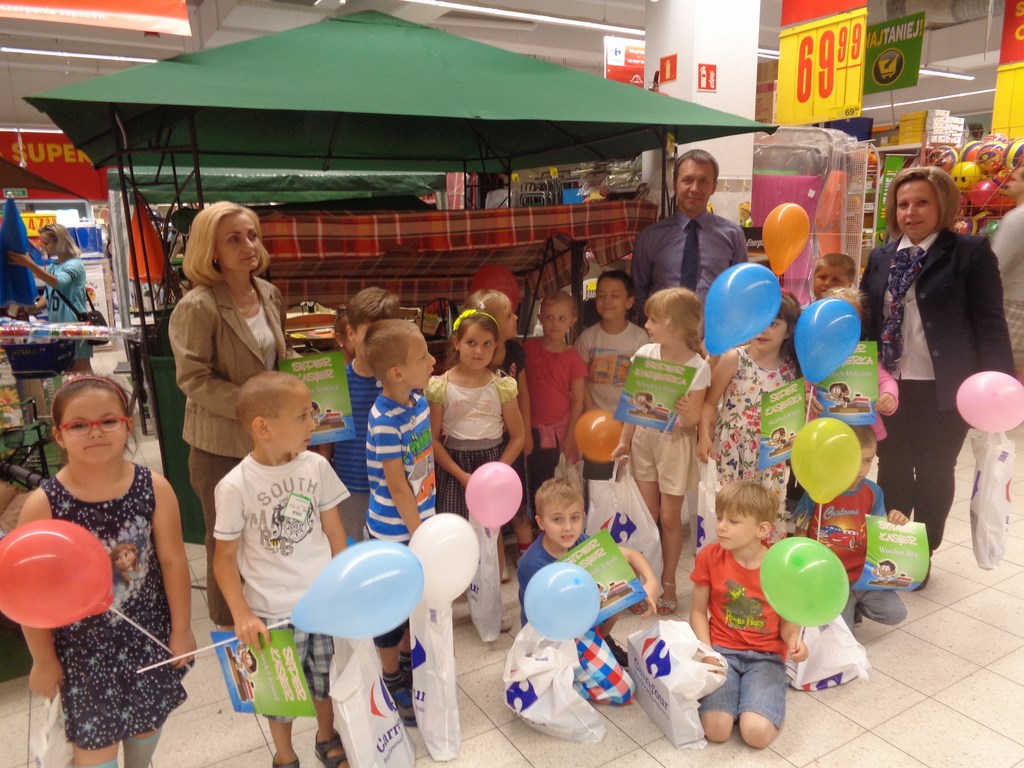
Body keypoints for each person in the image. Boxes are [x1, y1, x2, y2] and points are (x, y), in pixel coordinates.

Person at [19, 376, 195, 768]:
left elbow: (172, 561)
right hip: (81, 653)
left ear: (127, 425)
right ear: (59, 435)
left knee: (146, 726)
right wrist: (43, 659)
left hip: (145, 635)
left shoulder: (154, 488)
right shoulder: (43, 505)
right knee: (95, 750)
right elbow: (30, 593)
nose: (95, 432)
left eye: (108, 421)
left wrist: (181, 628)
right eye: (79, 424)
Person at [861, 166, 1013, 560]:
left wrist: (999, 388)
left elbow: (990, 322)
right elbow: (867, 322)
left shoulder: (969, 252)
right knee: (892, 465)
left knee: (934, 469)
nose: (910, 212)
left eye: (922, 203)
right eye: (903, 204)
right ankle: (894, 549)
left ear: (942, 204)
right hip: (889, 386)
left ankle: (923, 550)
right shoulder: (881, 257)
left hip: (946, 387)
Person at [213, 372, 349, 768]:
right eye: (303, 415)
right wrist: (241, 614)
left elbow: (334, 530)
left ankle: (327, 737)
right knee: (280, 693)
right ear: (263, 427)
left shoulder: (316, 466)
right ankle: (285, 755)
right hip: (270, 612)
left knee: (325, 680)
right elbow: (223, 559)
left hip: (321, 602)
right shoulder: (234, 486)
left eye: (313, 412)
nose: (313, 423)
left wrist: (343, 584)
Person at [168, 202, 287, 628]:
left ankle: (272, 613)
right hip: (219, 443)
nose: (248, 246)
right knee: (227, 538)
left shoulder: (268, 293)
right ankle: (229, 626)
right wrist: (255, 405)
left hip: (269, 439)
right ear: (210, 250)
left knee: (270, 531)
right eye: (234, 239)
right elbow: (193, 378)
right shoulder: (197, 306)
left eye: (252, 235)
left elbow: (279, 360)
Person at [611, 288, 709, 615]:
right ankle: (644, 580)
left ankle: (669, 582)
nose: (647, 325)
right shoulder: (645, 354)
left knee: (669, 517)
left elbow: (693, 420)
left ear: (677, 325)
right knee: (646, 515)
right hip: (643, 439)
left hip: (675, 445)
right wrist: (624, 441)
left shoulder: (698, 366)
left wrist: (685, 412)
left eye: (654, 319)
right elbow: (633, 402)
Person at [689, 481, 808, 749]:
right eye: (720, 518)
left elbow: (788, 621)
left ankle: (762, 703)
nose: (721, 526)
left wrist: (794, 641)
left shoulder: (780, 566)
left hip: (767, 658)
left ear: (761, 529)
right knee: (716, 730)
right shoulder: (709, 557)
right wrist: (707, 652)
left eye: (733, 521)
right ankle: (744, 703)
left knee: (755, 734)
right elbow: (697, 611)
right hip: (722, 653)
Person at [426, 309, 524, 624]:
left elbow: (518, 436)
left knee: (491, 535)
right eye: (471, 343)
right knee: (457, 533)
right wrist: (462, 475)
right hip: (455, 468)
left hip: (492, 466)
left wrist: (495, 474)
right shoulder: (440, 386)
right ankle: (455, 599)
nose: (479, 351)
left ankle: (492, 605)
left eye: (487, 344)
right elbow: (434, 441)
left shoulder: (503, 385)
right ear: (456, 343)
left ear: (496, 347)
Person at [363, 318, 437, 726]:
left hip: (420, 522)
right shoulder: (385, 420)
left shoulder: (418, 403)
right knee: (391, 611)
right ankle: (391, 677)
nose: (432, 360)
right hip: (394, 533)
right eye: (422, 356)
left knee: (414, 603)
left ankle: (409, 662)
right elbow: (396, 487)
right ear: (396, 372)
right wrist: (420, 534)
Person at [517, 478, 658, 669]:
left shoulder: (581, 541)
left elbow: (633, 555)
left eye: (574, 518)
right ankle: (592, 646)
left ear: (583, 517)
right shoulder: (532, 564)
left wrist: (651, 583)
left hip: (581, 621)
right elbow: (542, 621)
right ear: (540, 523)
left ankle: (601, 639)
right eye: (557, 519)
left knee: (621, 575)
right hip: (548, 639)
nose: (568, 527)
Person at [698, 293, 802, 540]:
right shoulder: (735, 359)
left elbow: (792, 413)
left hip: (770, 455)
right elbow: (709, 402)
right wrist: (704, 437)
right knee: (731, 507)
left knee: (766, 507)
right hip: (733, 451)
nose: (763, 329)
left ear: (788, 331)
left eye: (773, 324)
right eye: (759, 321)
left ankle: (763, 557)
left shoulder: (792, 368)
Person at [793, 426, 909, 629]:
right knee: (840, 635)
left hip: (863, 576)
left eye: (867, 461)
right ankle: (845, 608)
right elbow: (800, 533)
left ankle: (856, 605)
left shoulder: (873, 491)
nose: (861, 469)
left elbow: (880, 534)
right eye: (854, 460)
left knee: (896, 614)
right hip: (829, 579)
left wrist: (895, 521)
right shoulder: (817, 489)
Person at [464, 288, 534, 565]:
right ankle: (491, 559)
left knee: (516, 498)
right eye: (508, 314)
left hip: (512, 440)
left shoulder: (515, 351)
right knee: (487, 500)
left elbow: (524, 394)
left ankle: (525, 551)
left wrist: (526, 432)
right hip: (484, 443)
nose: (515, 318)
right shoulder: (476, 359)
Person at [632, 149, 747, 316]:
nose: (695, 188)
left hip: (714, 330)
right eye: (687, 180)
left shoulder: (733, 235)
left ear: (714, 186)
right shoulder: (650, 238)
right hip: (664, 329)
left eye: (703, 181)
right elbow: (639, 293)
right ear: (675, 185)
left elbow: (740, 291)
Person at [330, 288, 401, 539]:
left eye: (385, 332)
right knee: (352, 549)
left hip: (391, 488)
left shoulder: (401, 381)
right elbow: (326, 441)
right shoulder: (337, 382)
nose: (378, 340)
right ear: (351, 333)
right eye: (370, 332)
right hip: (349, 486)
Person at [575, 269, 649, 482]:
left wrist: (630, 421)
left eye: (614, 295)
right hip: (597, 424)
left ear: (629, 302)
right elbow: (581, 380)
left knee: (628, 482)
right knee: (597, 482)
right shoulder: (588, 338)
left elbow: (642, 385)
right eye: (601, 296)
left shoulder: (639, 338)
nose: (607, 301)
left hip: (630, 424)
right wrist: (591, 412)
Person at [808, 286, 899, 441]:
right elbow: (802, 382)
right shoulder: (812, 354)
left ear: (861, 324)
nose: (840, 324)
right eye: (833, 317)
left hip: (862, 433)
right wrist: (805, 397)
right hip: (820, 430)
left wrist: (889, 396)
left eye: (850, 319)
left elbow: (885, 379)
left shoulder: (865, 355)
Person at [524, 292, 587, 508]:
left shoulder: (573, 357)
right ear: (540, 318)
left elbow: (578, 400)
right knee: (536, 483)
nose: (555, 323)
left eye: (562, 318)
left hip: (559, 432)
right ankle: (539, 523)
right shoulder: (528, 348)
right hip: (531, 429)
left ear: (572, 320)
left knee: (559, 485)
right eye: (549, 317)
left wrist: (570, 436)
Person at [8, 222, 94, 372]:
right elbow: (49, 294)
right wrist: (34, 308)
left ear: (59, 241)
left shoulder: (75, 264)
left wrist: (30, 264)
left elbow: (58, 283)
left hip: (74, 324)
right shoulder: (54, 266)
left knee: (81, 370)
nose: (43, 247)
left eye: (46, 243)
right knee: (67, 369)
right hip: (58, 326)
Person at [992, 161, 1024, 381]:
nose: (1009, 181)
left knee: (1004, 369)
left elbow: (996, 267)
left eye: (1017, 178)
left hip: (1013, 304)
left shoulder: (1016, 218)